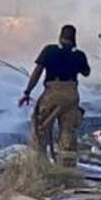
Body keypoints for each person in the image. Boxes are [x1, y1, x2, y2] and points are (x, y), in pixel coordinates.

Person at [18, 24, 90, 166]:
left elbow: (37, 72)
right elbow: (86, 72)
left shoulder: (49, 50)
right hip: (71, 95)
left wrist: (27, 92)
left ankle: (39, 165)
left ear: (60, 36)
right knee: (68, 133)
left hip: (52, 93)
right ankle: (67, 168)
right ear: (74, 38)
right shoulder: (79, 55)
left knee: (40, 129)